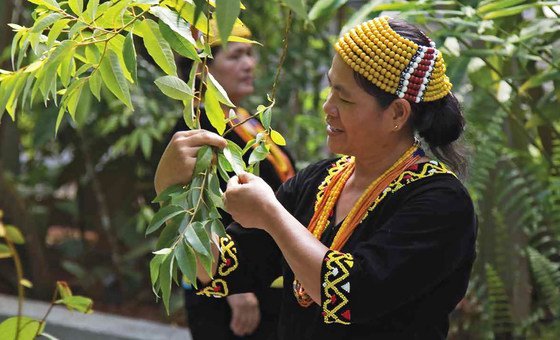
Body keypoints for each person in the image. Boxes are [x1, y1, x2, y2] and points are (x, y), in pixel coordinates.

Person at [155, 16, 477, 339]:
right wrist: (170, 191)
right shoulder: (318, 181)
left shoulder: (441, 202)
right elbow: (218, 269)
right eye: (330, 89)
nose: (327, 107)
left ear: (396, 114)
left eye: (345, 98)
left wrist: (271, 215)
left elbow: (351, 295)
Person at [168, 20, 296, 339]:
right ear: (202, 69)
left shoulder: (245, 121)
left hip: (266, 283)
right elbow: (189, 216)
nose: (249, 64)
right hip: (227, 292)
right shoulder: (195, 133)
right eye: (236, 56)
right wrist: (233, 292)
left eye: (250, 55)